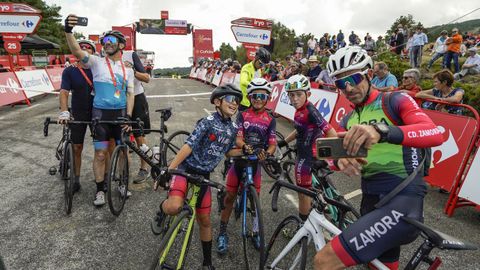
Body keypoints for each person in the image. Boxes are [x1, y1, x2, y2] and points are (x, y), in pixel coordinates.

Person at [314, 46, 443, 270]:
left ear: (370, 75)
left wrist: (383, 131)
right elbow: (324, 151)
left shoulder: (394, 100)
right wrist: (336, 160)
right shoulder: (351, 119)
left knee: (324, 260)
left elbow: (434, 133)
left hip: (402, 202)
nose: (349, 88)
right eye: (340, 84)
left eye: (354, 78)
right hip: (372, 201)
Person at [152, 84, 243, 270]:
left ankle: (207, 263)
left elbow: (228, 152)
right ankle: (162, 210)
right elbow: (189, 146)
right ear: (217, 101)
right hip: (186, 169)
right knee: (174, 206)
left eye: (237, 100)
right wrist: (169, 169)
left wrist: (246, 151)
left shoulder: (234, 127)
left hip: (204, 176)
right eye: (230, 99)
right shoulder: (207, 121)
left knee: (205, 220)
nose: (234, 103)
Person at [65, 16, 135, 206]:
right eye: (104, 41)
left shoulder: (128, 69)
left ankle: (122, 183)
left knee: (123, 153)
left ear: (121, 45)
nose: (107, 44)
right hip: (100, 115)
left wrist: (129, 117)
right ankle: (100, 190)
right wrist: (68, 31)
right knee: (101, 154)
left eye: (111, 41)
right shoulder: (96, 62)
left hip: (120, 114)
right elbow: (77, 51)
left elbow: (130, 95)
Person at [216, 78, 276, 254]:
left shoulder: (270, 119)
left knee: (255, 201)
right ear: (249, 97)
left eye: (262, 96)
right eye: (254, 96)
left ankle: (256, 232)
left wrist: (269, 153)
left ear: (267, 98)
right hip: (240, 160)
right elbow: (239, 137)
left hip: (256, 163)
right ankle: (222, 232)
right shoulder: (243, 114)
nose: (258, 99)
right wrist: (243, 146)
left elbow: (272, 143)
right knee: (229, 198)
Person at [278, 74, 337, 223]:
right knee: (313, 187)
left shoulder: (310, 111)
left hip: (307, 157)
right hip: (308, 152)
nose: (294, 99)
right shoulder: (300, 110)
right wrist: (283, 142)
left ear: (308, 94)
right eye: (291, 95)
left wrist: (333, 156)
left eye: (298, 94)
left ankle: (303, 226)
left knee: (302, 193)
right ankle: (321, 201)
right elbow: (300, 130)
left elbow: (331, 132)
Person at [58, 39, 96, 193]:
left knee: (102, 148)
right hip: (78, 112)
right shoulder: (70, 71)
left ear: (93, 53)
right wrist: (64, 111)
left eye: (89, 49)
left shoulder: (99, 68)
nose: (85, 51)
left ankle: (104, 178)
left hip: (97, 112)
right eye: (82, 49)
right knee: (77, 147)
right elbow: (64, 92)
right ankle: (76, 179)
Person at [122, 50, 152, 184]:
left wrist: (132, 70)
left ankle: (144, 169)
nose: (108, 43)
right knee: (117, 136)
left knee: (139, 135)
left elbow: (147, 78)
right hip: (117, 99)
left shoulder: (130, 55)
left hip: (136, 96)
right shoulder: (104, 56)